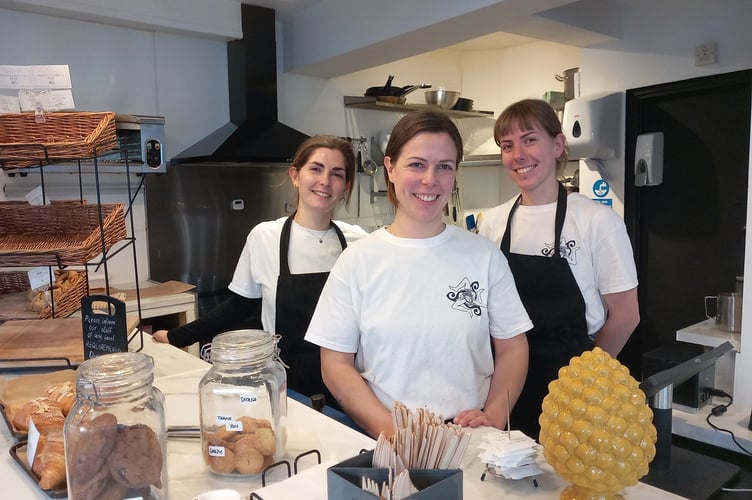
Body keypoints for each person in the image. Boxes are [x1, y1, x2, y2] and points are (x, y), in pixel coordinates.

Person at [304, 110, 532, 439]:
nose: (430, 179)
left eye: (444, 166)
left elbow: (513, 347)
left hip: (469, 436)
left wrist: (494, 415)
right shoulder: (358, 261)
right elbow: (336, 365)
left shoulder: (484, 256)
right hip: (385, 436)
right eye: (416, 164)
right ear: (390, 168)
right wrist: (391, 430)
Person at [153, 135, 368, 407]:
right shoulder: (265, 237)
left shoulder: (359, 242)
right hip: (289, 389)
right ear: (295, 175)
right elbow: (239, 306)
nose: (325, 181)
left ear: (346, 185)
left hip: (349, 390)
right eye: (315, 169)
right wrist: (175, 336)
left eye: (337, 174)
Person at [477, 98, 640, 440]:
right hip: (504, 379)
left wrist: (586, 382)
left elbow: (626, 316)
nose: (518, 154)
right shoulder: (492, 223)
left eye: (530, 139)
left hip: (572, 383)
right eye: (507, 145)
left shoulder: (596, 222)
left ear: (558, 144)